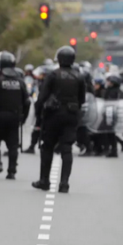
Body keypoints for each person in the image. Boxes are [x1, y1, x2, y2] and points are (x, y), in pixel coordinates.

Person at [32, 46, 85, 193]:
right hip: (71, 115)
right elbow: (82, 99)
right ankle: (64, 183)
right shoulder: (79, 76)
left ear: (59, 59)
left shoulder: (53, 75)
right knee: (67, 149)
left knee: (47, 147)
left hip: (53, 116)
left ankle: (44, 181)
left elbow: (42, 97)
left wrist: (38, 114)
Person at [0, 52, 29, 180]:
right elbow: (27, 101)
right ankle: (12, 171)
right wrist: (23, 117)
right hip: (14, 117)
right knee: (13, 145)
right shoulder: (20, 82)